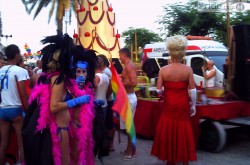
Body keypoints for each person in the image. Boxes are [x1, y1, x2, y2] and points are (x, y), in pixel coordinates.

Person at [22, 34, 94, 165]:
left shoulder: (48, 77)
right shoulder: (58, 80)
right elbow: (54, 106)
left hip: (57, 129)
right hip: (61, 131)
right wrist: (78, 100)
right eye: (70, 58)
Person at [151, 35, 197, 165]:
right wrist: (193, 106)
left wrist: (165, 93)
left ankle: (170, 160)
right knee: (183, 130)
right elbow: (193, 91)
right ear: (183, 51)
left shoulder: (163, 70)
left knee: (169, 130)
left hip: (169, 105)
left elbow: (158, 90)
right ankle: (184, 161)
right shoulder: (188, 70)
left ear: (170, 51)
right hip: (182, 105)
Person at [0, 44, 30, 165]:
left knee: (3, 143)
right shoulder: (20, 71)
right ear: (17, 55)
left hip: (2, 109)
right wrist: (28, 110)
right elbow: (23, 93)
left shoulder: (0, 70)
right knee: (21, 143)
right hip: (16, 109)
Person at [119, 47, 137, 160]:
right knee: (126, 126)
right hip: (126, 97)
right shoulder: (128, 65)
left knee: (129, 126)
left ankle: (131, 151)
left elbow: (134, 82)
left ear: (124, 54)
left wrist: (120, 83)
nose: (119, 57)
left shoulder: (129, 66)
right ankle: (129, 149)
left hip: (129, 97)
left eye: (120, 55)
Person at [98, 54, 116, 152]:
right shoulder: (103, 71)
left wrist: (105, 96)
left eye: (99, 59)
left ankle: (111, 144)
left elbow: (110, 87)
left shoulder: (106, 72)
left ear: (103, 61)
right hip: (105, 100)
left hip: (108, 100)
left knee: (109, 123)